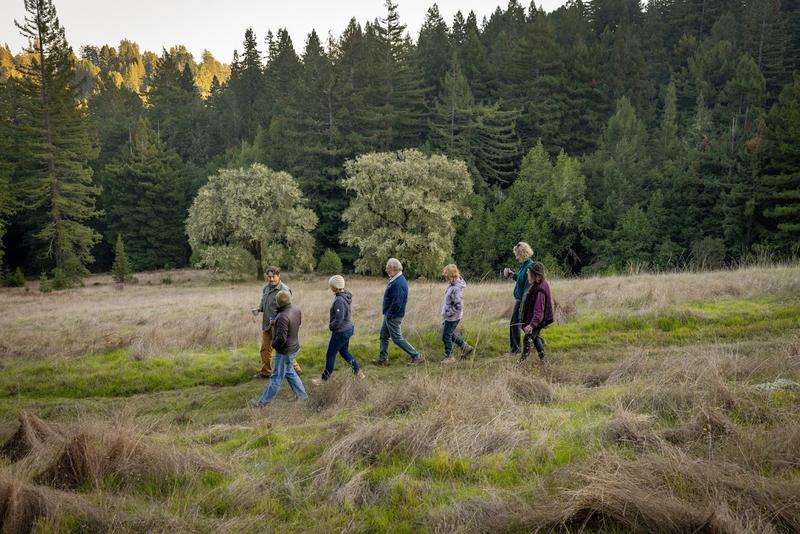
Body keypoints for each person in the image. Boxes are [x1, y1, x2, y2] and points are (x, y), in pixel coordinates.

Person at [251, 290, 309, 406]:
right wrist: (275, 324)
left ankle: (262, 402)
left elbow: (282, 338)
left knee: (276, 377)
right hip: (294, 347)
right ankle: (303, 397)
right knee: (290, 372)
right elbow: (295, 325)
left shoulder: (282, 316)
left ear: (278, 302)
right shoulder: (296, 311)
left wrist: (273, 345)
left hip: (285, 351)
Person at [312, 275, 365, 385]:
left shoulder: (339, 300)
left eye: (331, 286)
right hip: (348, 329)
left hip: (341, 332)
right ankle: (358, 371)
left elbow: (339, 319)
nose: (330, 288)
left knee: (330, 355)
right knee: (344, 352)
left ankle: (324, 379)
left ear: (334, 287)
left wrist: (331, 326)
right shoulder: (345, 295)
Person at [372, 258, 424, 367]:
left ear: (392, 268)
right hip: (389, 314)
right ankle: (383, 359)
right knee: (383, 336)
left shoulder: (398, 282)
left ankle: (416, 355)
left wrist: (390, 314)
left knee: (397, 338)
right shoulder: (395, 279)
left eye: (387, 267)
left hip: (394, 315)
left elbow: (398, 302)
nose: (386, 270)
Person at [252, 266, 302, 379]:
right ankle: (266, 372)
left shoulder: (284, 290)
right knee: (265, 349)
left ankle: (297, 370)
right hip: (267, 325)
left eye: (273, 276)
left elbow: (288, 309)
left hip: (279, 325)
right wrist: (259, 309)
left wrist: (277, 320)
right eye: (269, 277)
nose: (271, 279)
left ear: (278, 276)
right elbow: (263, 302)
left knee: (283, 350)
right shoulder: (266, 288)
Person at [518, 262, 554, 363]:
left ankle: (521, 364)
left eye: (529, 272)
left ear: (536, 275)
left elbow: (539, 310)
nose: (527, 273)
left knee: (527, 339)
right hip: (536, 320)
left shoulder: (540, 289)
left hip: (536, 320)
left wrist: (532, 325)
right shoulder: (538, 285)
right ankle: (544, 361)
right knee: (535, 338)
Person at [503, 242, 534, 355]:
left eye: (517, 255)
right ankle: (537, 341)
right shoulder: (524, 265)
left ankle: (515, 350)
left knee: (514, 324)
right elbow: (521, 280)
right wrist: (513, 275)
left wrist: (522, 304)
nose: (516, 257)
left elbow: (528, 288)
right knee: (523, 324)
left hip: (522, 300)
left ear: (523, 253)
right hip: (519, 299)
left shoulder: (530, 266)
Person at [440, 264, 474, 365]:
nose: (445, 278)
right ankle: (465, 347)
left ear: (452, 275)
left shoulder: (456, 288)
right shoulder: (453, 284)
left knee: (446, 336)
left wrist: (448, 313)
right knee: (449, 333)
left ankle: (449, 357)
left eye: (447, 276)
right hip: (451, 316)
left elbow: (458, 305)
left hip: (452, 317)